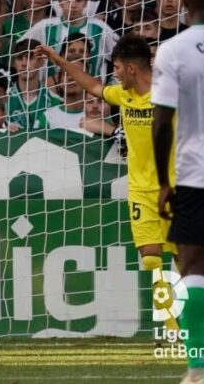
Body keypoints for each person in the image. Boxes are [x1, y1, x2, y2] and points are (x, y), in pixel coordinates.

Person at [37, 33, 180, 334]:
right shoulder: (122, 95)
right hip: (140, 189)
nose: (114, 74)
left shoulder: (171, 93)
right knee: (151, 257)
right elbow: (91, 85)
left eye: (116, 68)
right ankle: (172, 325)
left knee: (184, 258)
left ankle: (192, 321)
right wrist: (59, 60)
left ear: (131, 68)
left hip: (176, 187)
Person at [152, 0, 204, 383]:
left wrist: (164, 182)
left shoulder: (174, 49)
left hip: (198, 174)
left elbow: (162, 123)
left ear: (184, 1)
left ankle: (198, 370)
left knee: (194, 269)